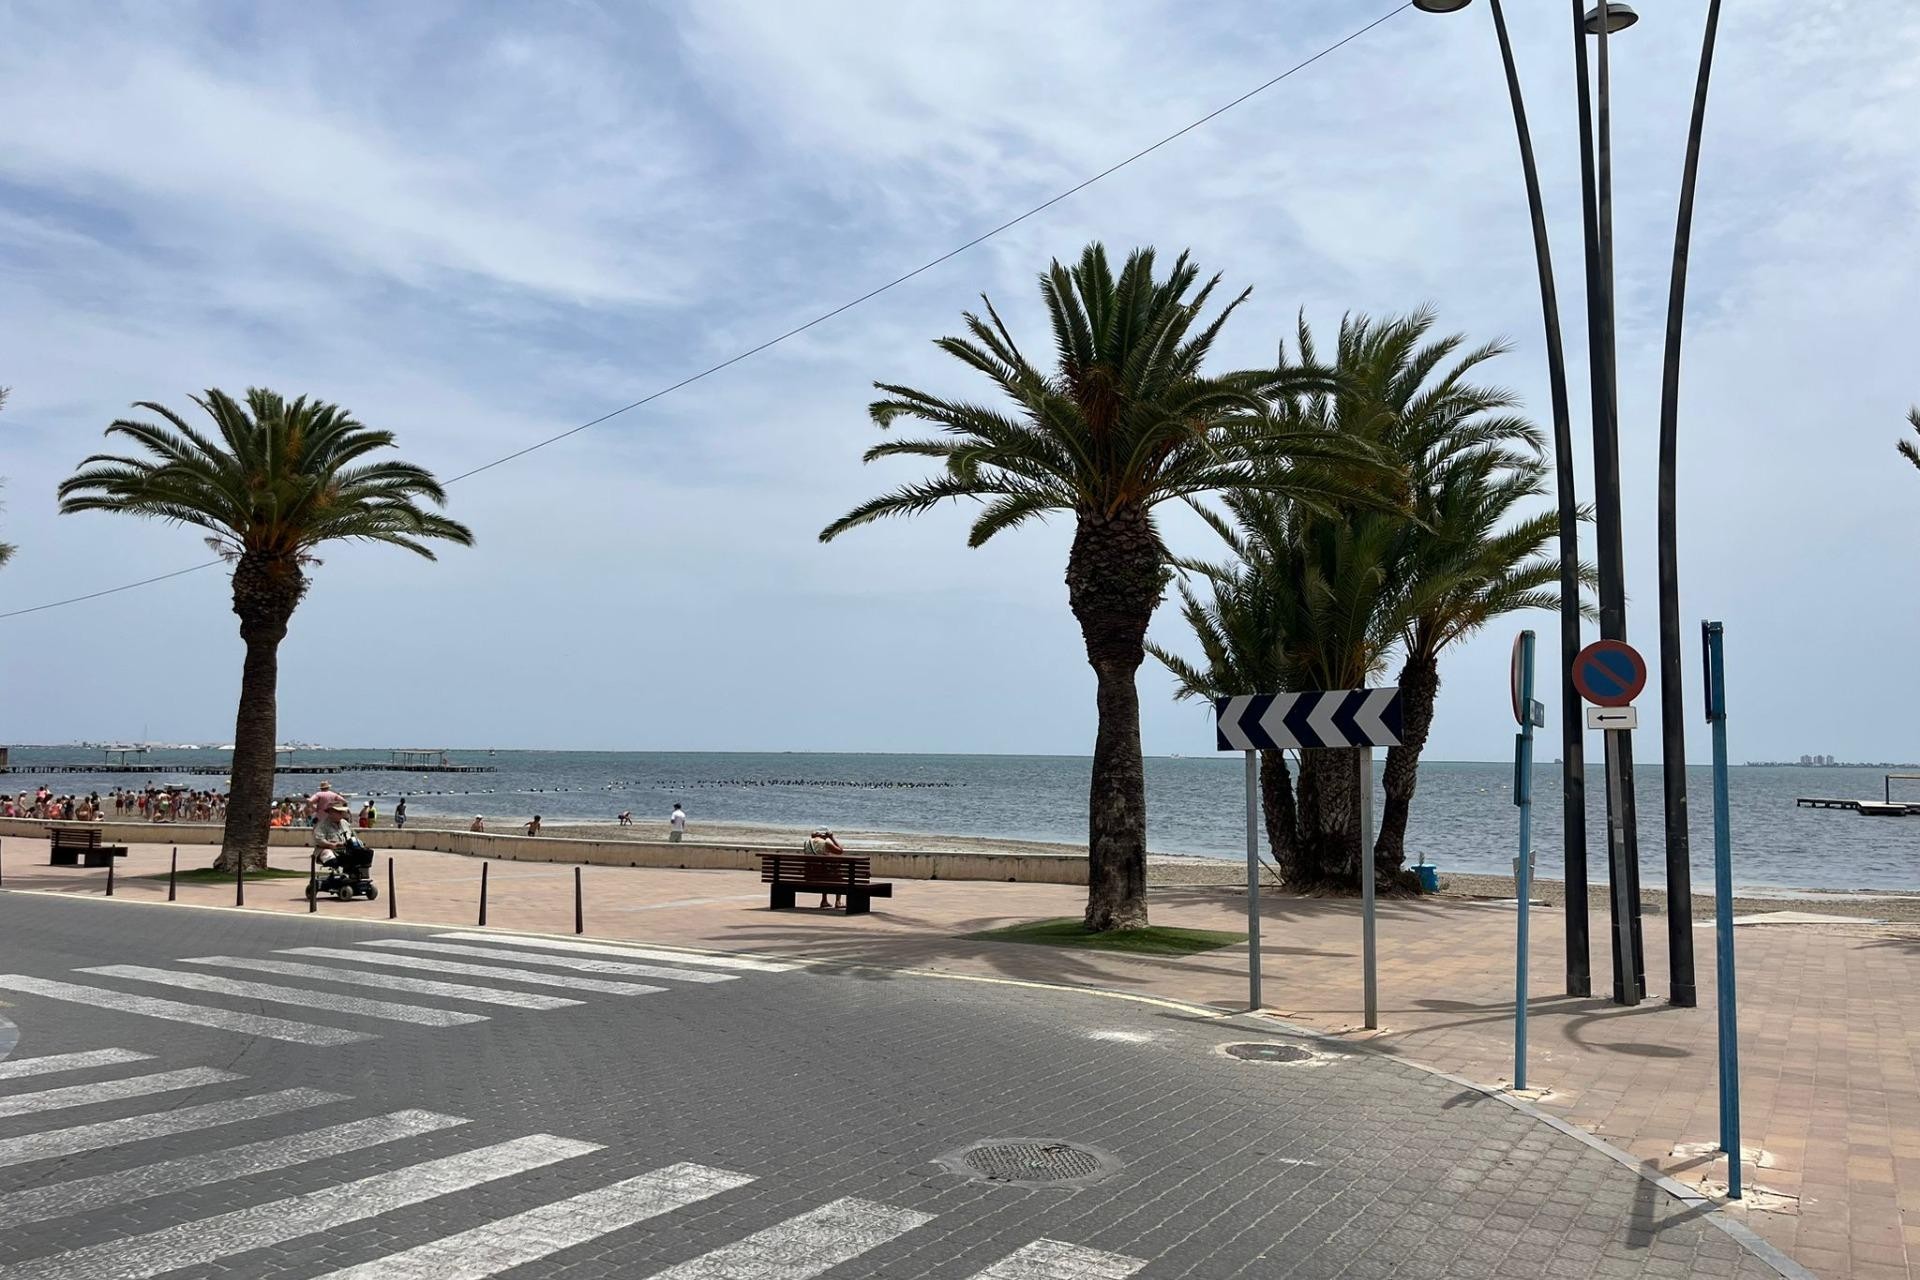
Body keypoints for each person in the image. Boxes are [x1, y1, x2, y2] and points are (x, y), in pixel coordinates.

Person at [805, 828, 847, 909]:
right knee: (837, 874)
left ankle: (824, 900)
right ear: (821, 836)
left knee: (824, 873)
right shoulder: (825, 843)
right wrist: (831, 838)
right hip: (823, 875)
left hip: (810, 875)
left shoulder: (806, 843)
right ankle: (838, 902)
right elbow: (840, 851)